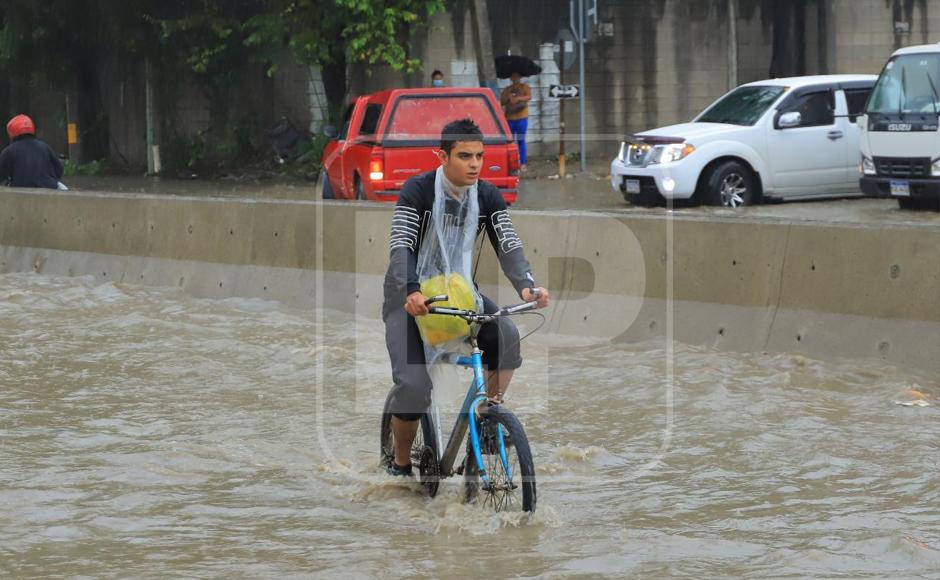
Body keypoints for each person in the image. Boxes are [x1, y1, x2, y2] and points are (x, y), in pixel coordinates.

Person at [382, 118, 550, 477]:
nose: (474, 163)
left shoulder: (487, 195)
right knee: (412, 387)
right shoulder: (418, 191)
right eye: (464, 156)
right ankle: (399, 465)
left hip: (459, 298)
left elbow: (508, 242)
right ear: (442, 156)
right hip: (407, 300)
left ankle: (489, 417)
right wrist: (410, 290)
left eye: (479, 155)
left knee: (506, 337)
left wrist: (527, 284)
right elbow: (402, 246)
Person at [0, 114, 65, 189]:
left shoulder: (9, 151)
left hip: (20, 192)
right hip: (48, 189)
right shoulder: (44, 146)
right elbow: (59, 170)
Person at [500, 72, 531, 172]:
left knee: (521, 141)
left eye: (517, 76)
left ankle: (523, 163)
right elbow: (502, 101)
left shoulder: (524, 87)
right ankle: (511, 164)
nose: (515, 78)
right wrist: (508, 97)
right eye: (513, 76)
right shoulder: (507, 89)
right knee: (510, 142)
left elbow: (528, 96)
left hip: (522, 118)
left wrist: (518, 98)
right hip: (510, 118)